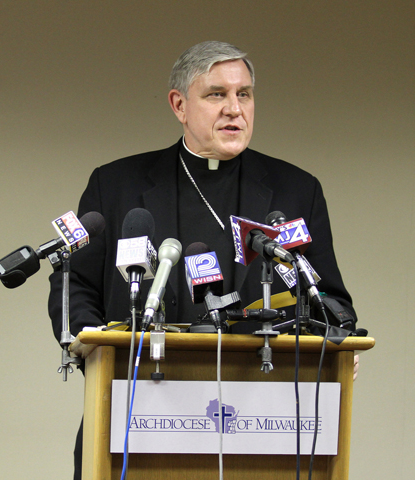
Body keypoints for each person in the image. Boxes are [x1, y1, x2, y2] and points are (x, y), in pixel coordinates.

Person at [47, 41, 357, 479]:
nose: (234, 108)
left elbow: (329, 297)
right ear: (179, 104)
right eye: (217, 94)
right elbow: (73, 283)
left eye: (244, 94)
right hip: (137, 411)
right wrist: (94, 348)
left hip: (263, 419)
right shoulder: (116, 184)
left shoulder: (295, 190)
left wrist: (338, 337)